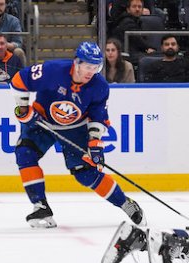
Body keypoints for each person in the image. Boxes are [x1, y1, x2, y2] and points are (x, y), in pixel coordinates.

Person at [9, 42, 146, 229]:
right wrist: (24, 108)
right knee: (25, 153)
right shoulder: (53, 70)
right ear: (77, 62)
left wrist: (95, 143)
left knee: (86, 173)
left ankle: (125, 203)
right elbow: (19, 80)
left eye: (96, 67)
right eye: (88, 66)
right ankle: (40, 205)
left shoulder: (100, 86)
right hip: (42, 120)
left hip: (76, 128)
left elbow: (98, 117)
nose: (91, 72)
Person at [109, 0, 156, 65]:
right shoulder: (127, 21)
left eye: (139, 7)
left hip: (133, 51)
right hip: (127, 53)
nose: (137, 9)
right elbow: (138, 40)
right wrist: (149, 48)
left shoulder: (136, 20)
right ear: (128, 9)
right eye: (134, 6)